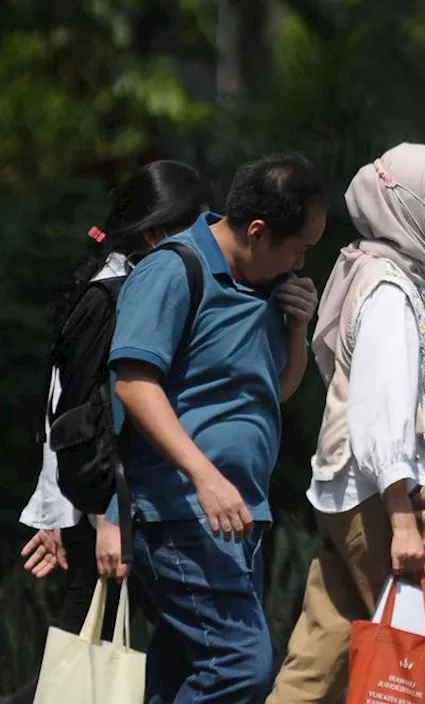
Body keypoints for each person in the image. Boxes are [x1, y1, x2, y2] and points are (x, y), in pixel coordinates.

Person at [267, 143, 425, 703]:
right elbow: (379, 407)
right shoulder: (387, 289)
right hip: (385, 501)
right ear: (410, 208)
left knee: (319, 657)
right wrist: (403, 519)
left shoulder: (389, 276)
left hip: (351, 497)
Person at [109, 152, 325, 704]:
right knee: (241, 665)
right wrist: (203, 474)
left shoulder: (265, 287)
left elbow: (276, 388)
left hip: (240, 515)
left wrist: (297, 327)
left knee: (181, 674)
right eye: (298, 247)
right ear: (258, 231)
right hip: (181, 511)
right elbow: (134, 383)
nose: (301, 261)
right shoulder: (173, 270)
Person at [8, 160, 212, 704]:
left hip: (122, 508)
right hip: (107, 514)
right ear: (153, 232)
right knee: (81, 668)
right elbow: (76, 419)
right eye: (190, 225)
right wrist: (102, 518)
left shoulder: (137, 289)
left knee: (91, 667)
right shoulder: (113, 297)